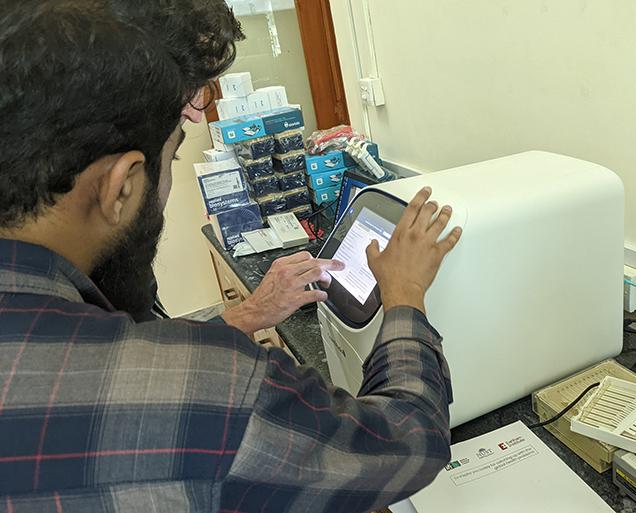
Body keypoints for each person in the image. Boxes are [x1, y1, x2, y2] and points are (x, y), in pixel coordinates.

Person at [0, 2, 463, 513]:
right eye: (173, 150)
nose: (199, 110)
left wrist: (242, 316)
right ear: (121, 185)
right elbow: (405, 442)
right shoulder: (210, 389)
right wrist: (404, 295)